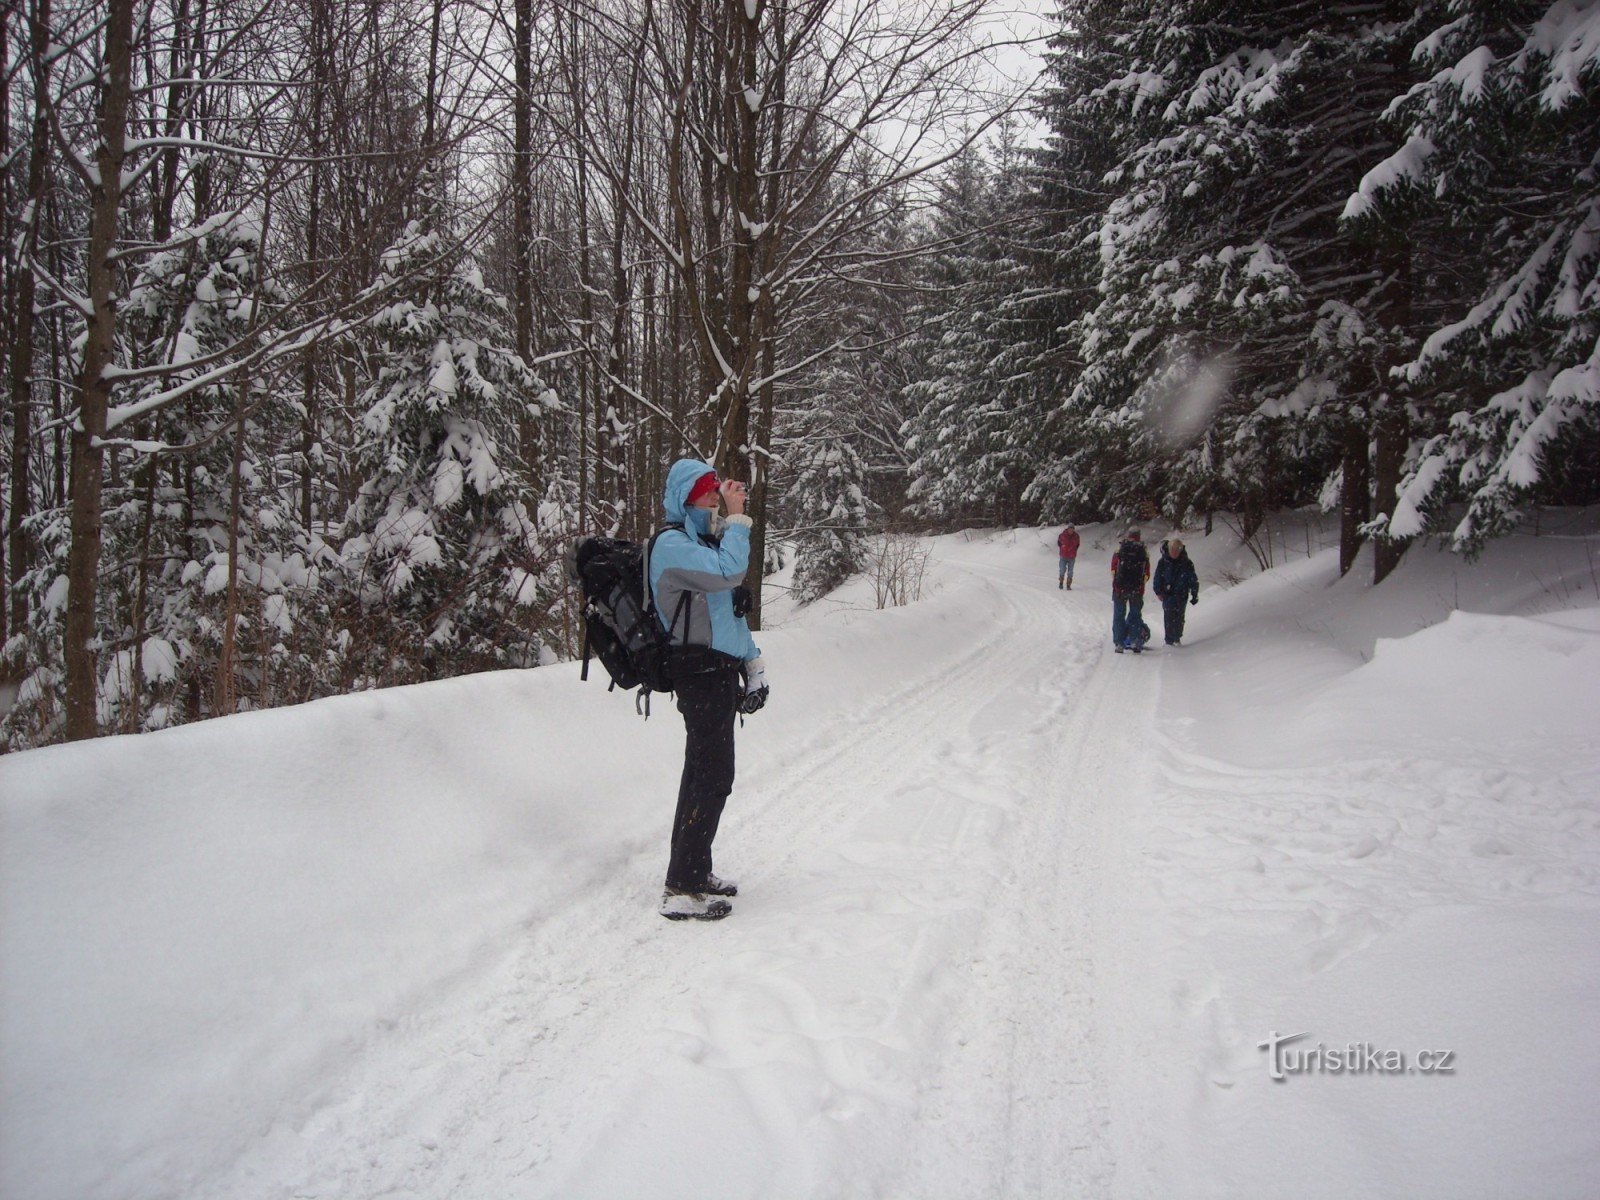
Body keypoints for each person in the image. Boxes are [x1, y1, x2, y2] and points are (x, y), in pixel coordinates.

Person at [648, 458, 768, 922]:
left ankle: (694, 869)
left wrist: (753, 664)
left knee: (700, 772)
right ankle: (682, 886)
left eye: (717, 489)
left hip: (717, 673)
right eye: (707, 491)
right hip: (696, 674)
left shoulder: (706, 546)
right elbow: (730, 573)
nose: (716, 497)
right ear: (685, 497)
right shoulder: (673, 546)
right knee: (713, 775)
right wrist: (739, 520)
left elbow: (728, 617)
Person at [1152, 537, 1200, 646]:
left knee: (1179, 617)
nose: (1174, 553)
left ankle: (1177, 637)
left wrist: (1194, 593)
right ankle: (1169, 640)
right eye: (1172, 550)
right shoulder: (1163, 562)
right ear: (1168, 550)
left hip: (1182, 594)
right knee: (1168, 616)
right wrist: (1158, 591)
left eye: (1177, 550)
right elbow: (1157, 577)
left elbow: (1193, 579)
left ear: (1180, 550)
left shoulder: (1186, 563)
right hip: (1167, 594)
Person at [1110, 528, 1150, 653]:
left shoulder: (1120, 549)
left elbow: (1113, 569)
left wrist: (1118, 583)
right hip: (1137, 590)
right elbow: (1146, 573)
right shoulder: (1143, 551)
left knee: (1119, 616)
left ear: (1129, 535)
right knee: (1135, 615)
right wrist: (1139, 585)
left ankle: (1119, 643)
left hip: (1120, 588)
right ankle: (1134, 641)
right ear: (1139, 536)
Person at [1057, 523, 1081, 589]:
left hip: (1072, 556)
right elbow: (1059, 542)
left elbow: (1078, 544)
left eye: (1072, 529)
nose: (1071, 530)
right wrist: (1062, 548)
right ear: (1068, 529)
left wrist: (1074, 550)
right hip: (1063, 556)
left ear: (1073, 529)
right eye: (1070, 529)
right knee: (1062, 569)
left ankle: (1068, 585)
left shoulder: (1076, 536)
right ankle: (1061, 583)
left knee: (1070, 571)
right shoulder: (1062, 535)